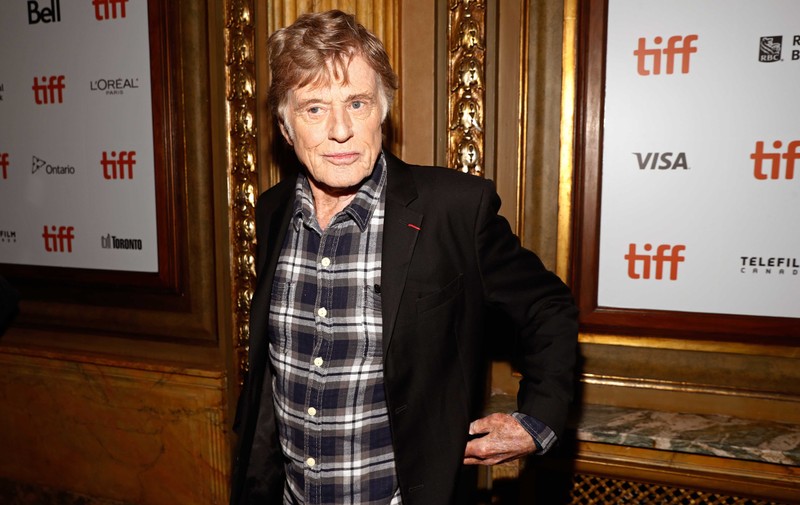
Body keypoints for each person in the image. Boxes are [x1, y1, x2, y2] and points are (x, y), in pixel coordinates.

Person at [230, 10, 579, 505]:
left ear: (383, 112)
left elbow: (548, 307)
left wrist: (538, 418)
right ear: (285, 129)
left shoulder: (453, 209)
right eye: (313, 109)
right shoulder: (272, 212)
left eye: (357, 103)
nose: (341, 130)